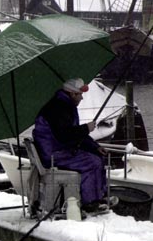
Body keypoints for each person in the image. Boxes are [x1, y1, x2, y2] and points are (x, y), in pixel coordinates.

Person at [33, 78, 117, 213]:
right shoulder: (59, 109)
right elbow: (65, 135)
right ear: (72, 94)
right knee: (92, 163)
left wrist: (95, 147)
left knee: (97, 156)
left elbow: (73, 134)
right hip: (53, 154)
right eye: (80, 95)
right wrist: (86, 128)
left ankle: (100, 196)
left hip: (57, 150)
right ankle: (89, 203)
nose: (82, 98)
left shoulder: (63, 105)